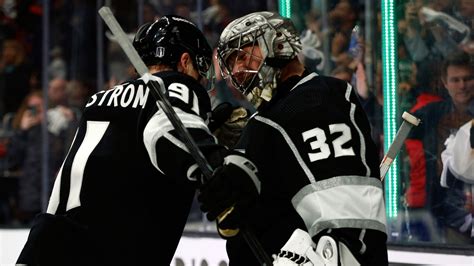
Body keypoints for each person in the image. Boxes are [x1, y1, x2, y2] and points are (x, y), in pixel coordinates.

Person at [16, 15, 234, 265]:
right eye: (199, 69)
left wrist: (206, 127)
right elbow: (166, 130)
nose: (202, 81)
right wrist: (221, 166)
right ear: (185, 62)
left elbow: (133, 148)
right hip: (100, 254)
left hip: (43, 247)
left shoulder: (100, 99)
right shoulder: (175, 85)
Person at [198, 11, 388, 265]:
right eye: (232, 63)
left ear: (278, 45)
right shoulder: (267, 120)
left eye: (244, 56)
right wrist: (240, 152)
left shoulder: (317, 99)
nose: (237, 70)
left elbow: (349, 222)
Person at [404, 51, 473, 243]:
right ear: (445, 83)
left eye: (467, 79)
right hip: (443, 211)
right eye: (455, 80)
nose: (462, 85)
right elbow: (401, 129)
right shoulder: (433, 112)